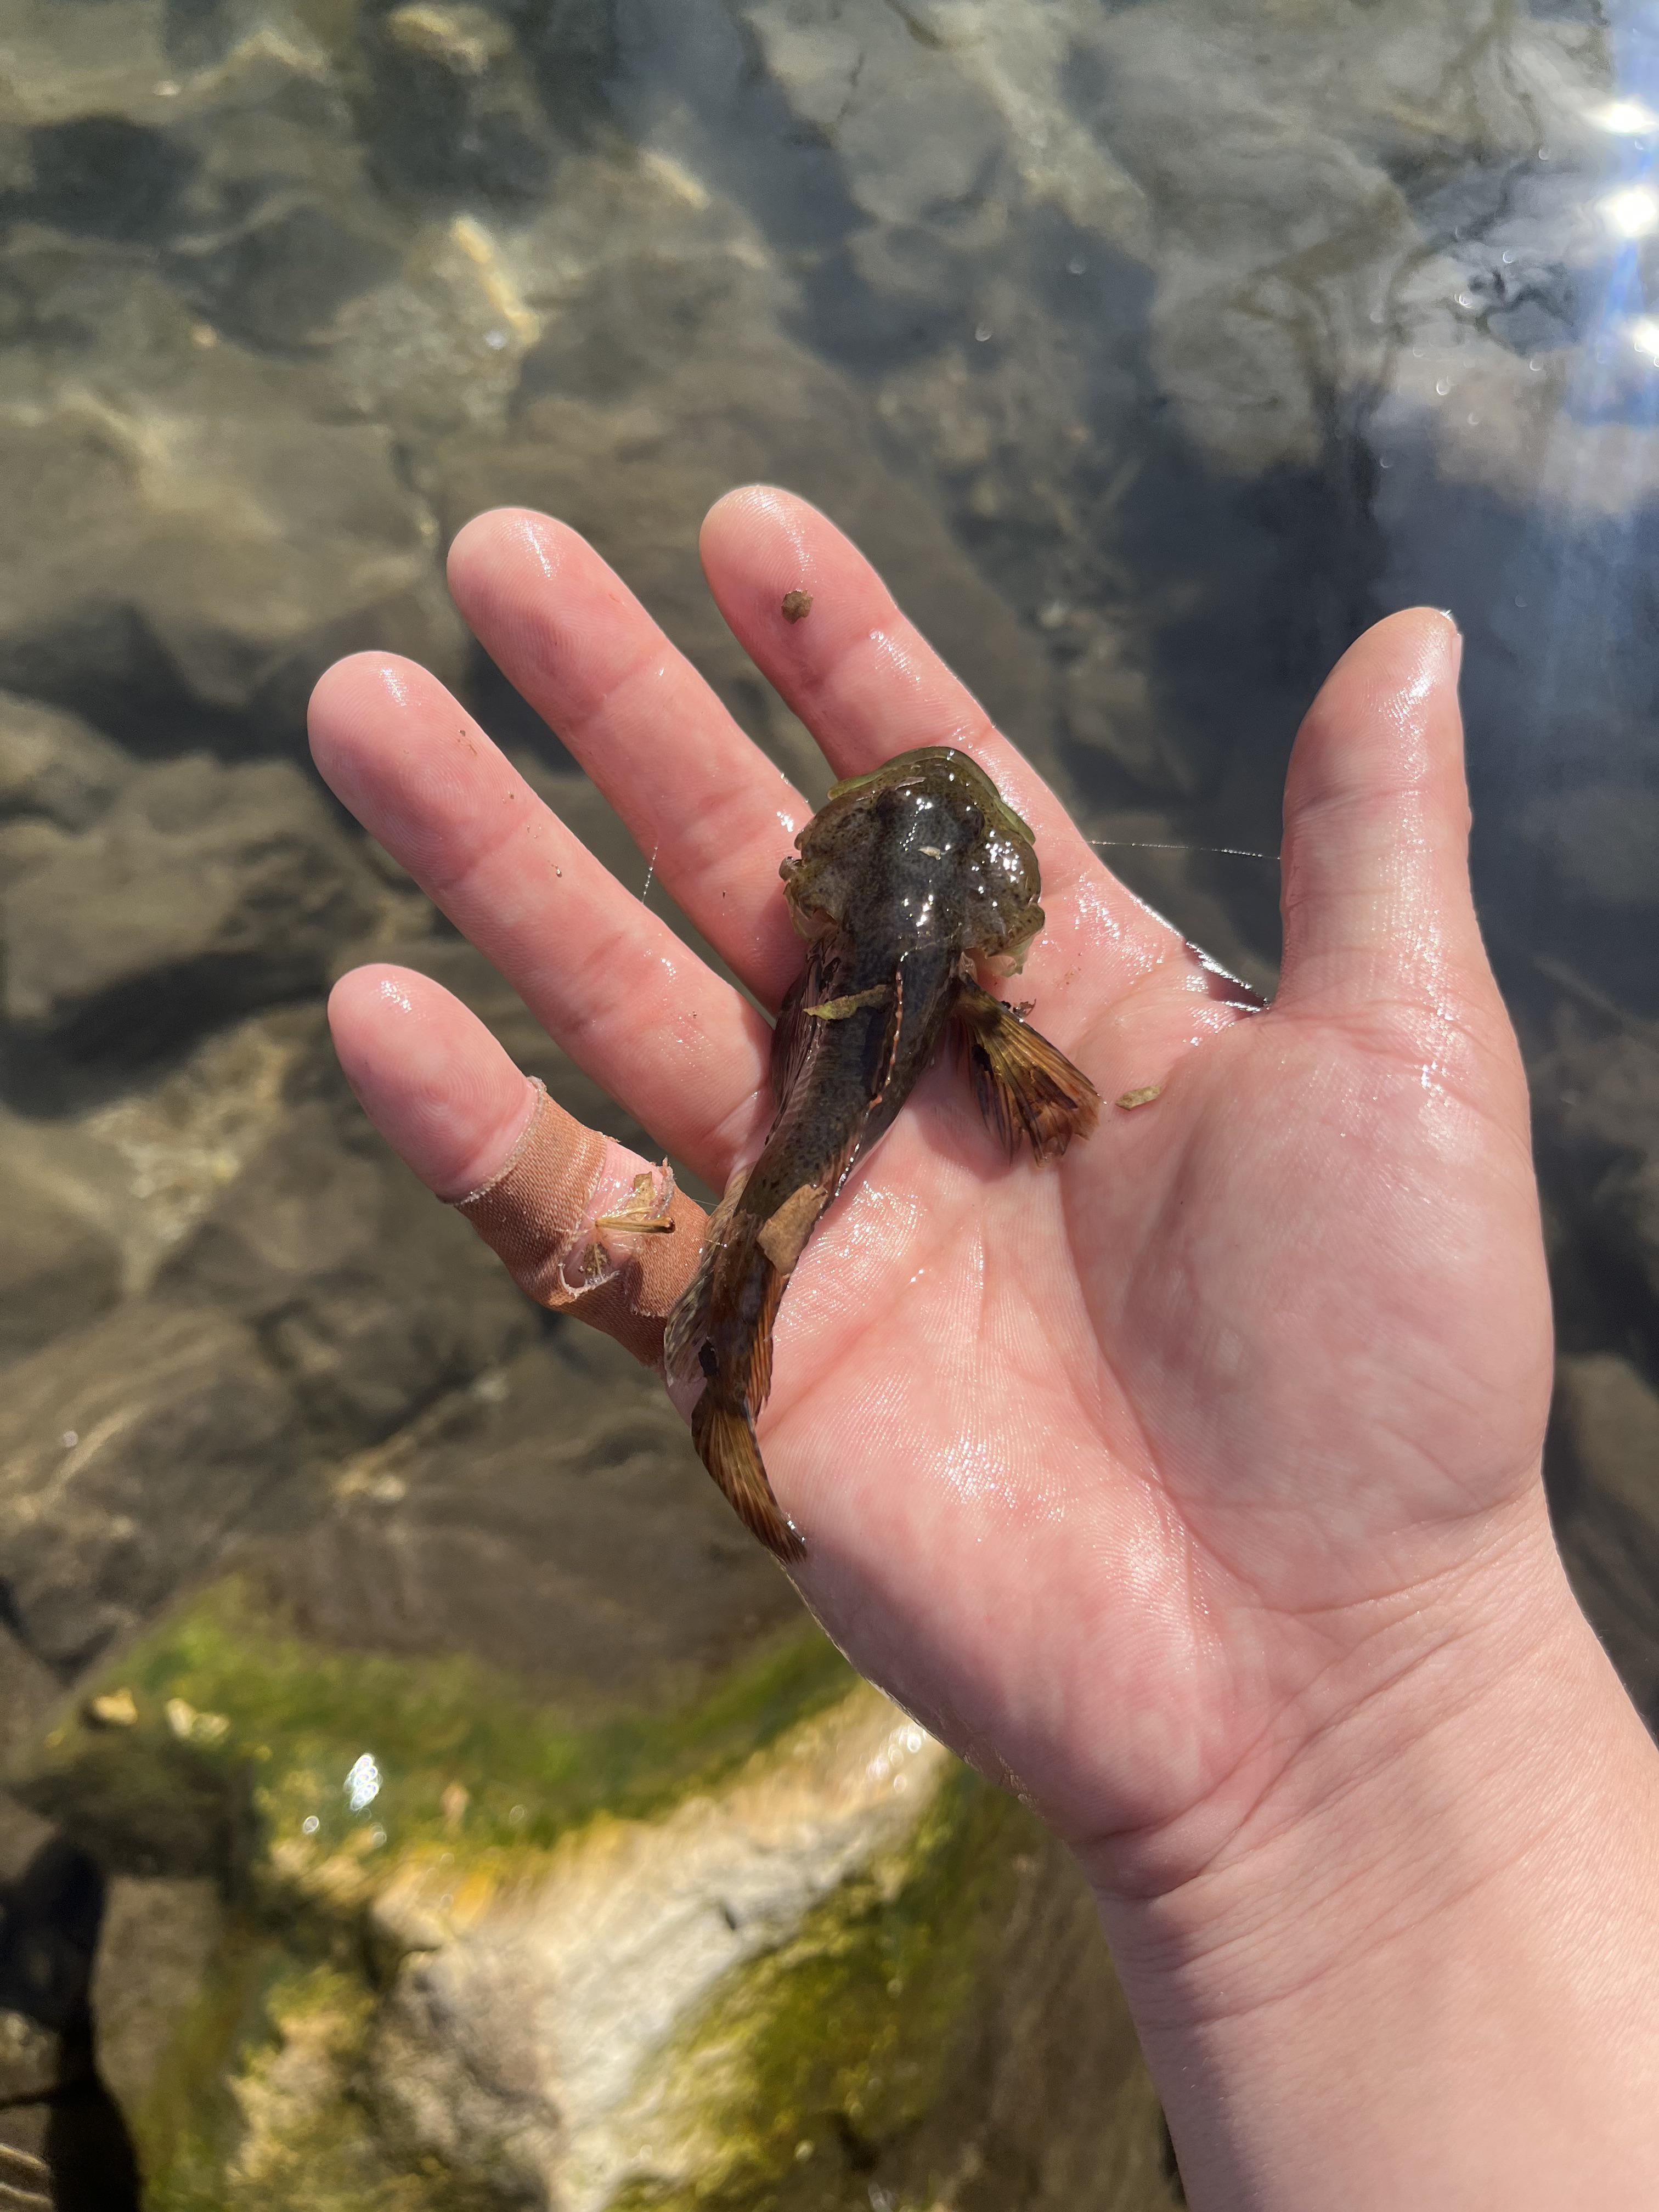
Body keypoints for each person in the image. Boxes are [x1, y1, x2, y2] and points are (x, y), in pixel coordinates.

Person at [309, 488, 1659, 2208]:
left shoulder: (878, 967)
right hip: (919, 1018)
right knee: (761, 1225)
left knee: (760, 1222)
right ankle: (733, 1381)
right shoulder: (971, 992)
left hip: (884, 1028)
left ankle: (733, 1384)